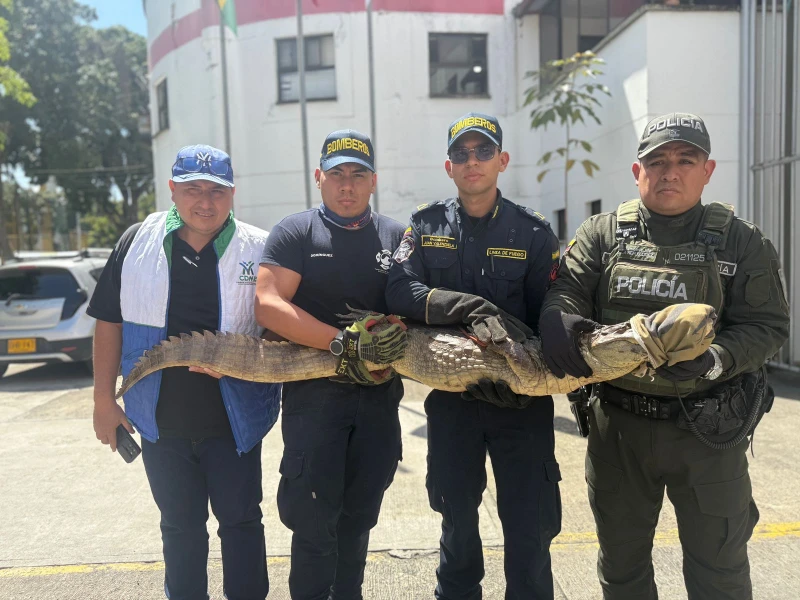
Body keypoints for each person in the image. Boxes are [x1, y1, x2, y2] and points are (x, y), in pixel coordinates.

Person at [540, 112, 790, 599]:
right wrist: (559, 317)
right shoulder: (603, 234)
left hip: (707, 431)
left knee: (719, 569)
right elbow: (567, 291)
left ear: (707, 170)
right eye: (656, 161)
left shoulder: (741, 241)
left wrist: (716, 358)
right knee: (622, 567)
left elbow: (768, 326)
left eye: (684, 159)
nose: (669, 171)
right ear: (638, 172)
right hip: (619, 429)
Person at [89, 144, 281, 600]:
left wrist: (243, 360)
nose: (205, 201)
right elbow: (109, 320)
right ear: (172, 190)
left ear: (233, 194)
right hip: (159, 422)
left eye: (217, 191)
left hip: (234, 421)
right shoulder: (138, 241)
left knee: (241, 524)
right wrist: (102, 400)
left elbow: (281, 328)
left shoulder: (259, 247)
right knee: (179, 529)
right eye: (192, 188)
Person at [386, 112, 563, 600]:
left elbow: (551, 312)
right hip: (452, 401)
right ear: (449, 166)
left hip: (522, 407)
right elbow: (400, 290)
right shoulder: (425, 225)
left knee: (529, 528)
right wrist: (470, 307)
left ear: (502, 160)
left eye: (483, 151)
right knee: (457, 522)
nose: (473, 162)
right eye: (461, 154)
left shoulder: (532, 233)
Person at [255, 129, 408, 600]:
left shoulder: (397, 236)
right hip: (314, 401)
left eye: (357, 175)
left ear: (373, 181)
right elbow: (267, 302)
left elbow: (413, 302)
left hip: (379, 401)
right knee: (314, 520)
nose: (347, 185)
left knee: (359, 518)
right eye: (337, 174)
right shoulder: (296, 232)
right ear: (318, 178)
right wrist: (342, 344)